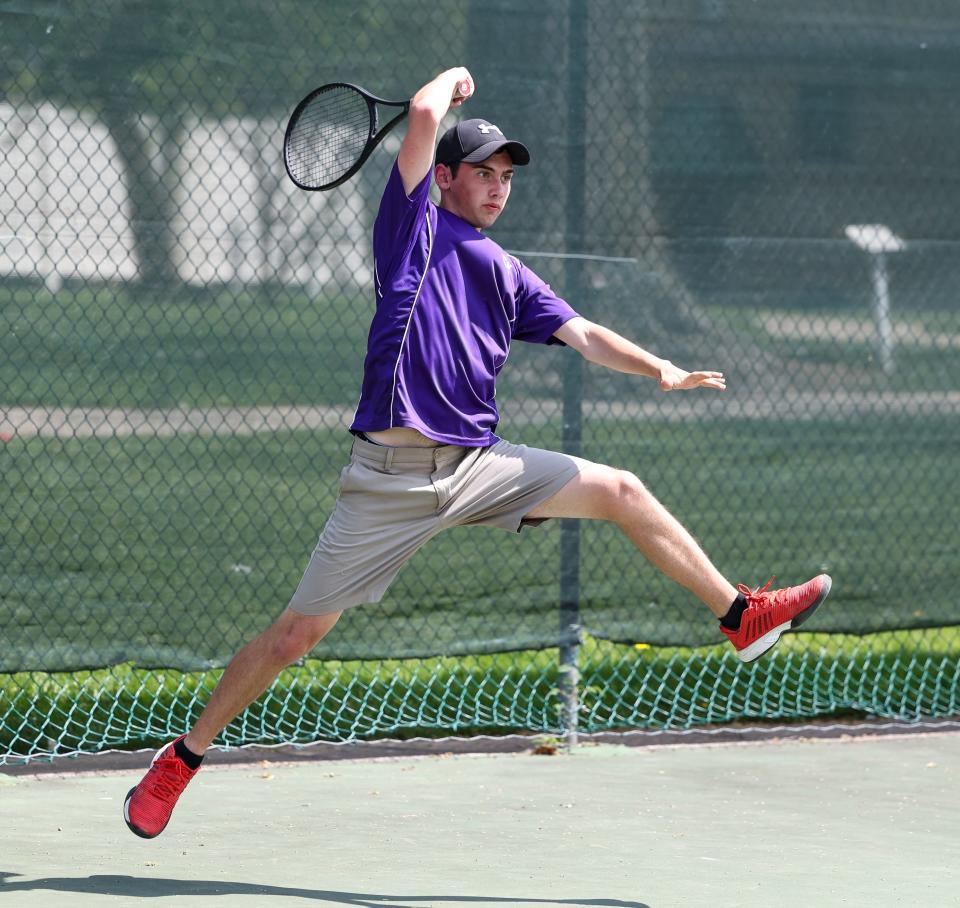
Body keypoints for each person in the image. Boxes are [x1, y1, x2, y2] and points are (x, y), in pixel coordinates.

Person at [123, 67, 831, 839]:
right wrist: (450, 83)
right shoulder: (411, 228)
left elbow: (585, 334)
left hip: (476, 467)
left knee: (623, 490)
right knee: (294, 638)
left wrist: (656, 366)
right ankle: (183, 758)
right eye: (483, 173)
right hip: (386, 484)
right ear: (447, 178)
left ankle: (740, 616)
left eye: (507, 177)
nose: (498, 188)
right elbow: (425, 113)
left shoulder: (509, 274)